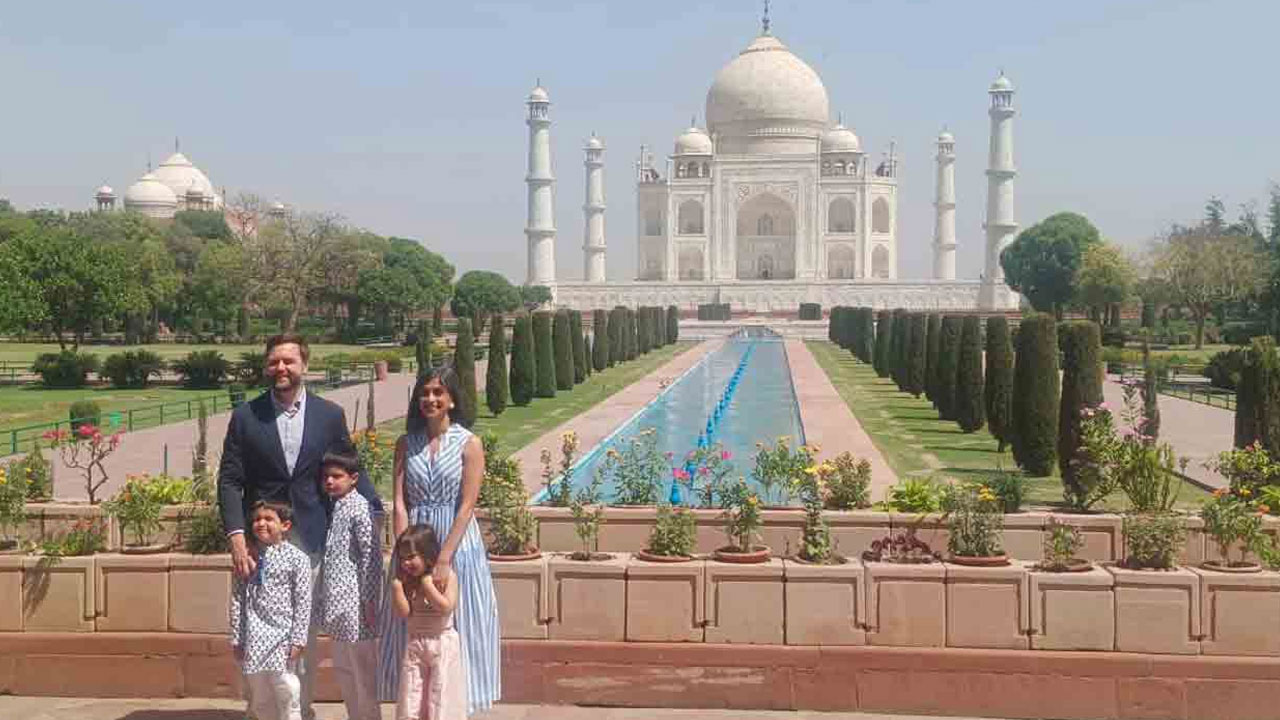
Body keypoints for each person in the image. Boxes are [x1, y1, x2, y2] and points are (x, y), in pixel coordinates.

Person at [218, 332, 384, 720]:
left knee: (302, 636)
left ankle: (300, 712)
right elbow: (229, 480)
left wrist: (374, 510)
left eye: (289, 361)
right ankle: (261, 712)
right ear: (266, 366)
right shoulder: (246, 417)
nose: (281, 368)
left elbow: (350, 466)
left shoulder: (329, 415)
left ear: (304, 366)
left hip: (310, 538)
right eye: (275, 361)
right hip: (261, 544)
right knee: (255, 632)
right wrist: (237, 538)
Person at [378, 364, 500, 714]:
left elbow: (467, 505)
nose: (430, 399)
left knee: (462, 623)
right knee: (412, 624)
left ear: (451, 399)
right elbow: (400, 501)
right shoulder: (406, 443)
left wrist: (445, 556)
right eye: (425, 392)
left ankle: (460, 705)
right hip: (415, 539)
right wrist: (403, 551)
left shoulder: (469, 443)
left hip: (456, 540)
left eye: (438, 392)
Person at [229, 500, 312, 720]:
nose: (261, 523)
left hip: (283, 635)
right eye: (257, 519)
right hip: (254, 636)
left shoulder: (298, 559)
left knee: (286, 689)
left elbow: (303, 601)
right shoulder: (245, 558)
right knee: (259, 694)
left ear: (285, 525)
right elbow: (237, 598)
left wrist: (298, 639)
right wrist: (237, 637)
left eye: (268, 519)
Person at [318, 448, 383, 720]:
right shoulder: (338, 507)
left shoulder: (359, 509)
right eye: (326, 477)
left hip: (357, 608)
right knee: (345, 670)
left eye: (337, 476)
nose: (330, 482)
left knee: (362, 672)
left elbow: (372, 558)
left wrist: (369, 601)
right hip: (339, 607)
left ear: (354, 478)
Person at [391, 525, 466, 720]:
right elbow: (404, 613)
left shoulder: (446, 577)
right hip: (416, 644)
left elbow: (446, 607)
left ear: (427, 554)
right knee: (412, 695)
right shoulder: (408, 581)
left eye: (411, 557)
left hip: (442, 643)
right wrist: (398, 589)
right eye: (402, 558)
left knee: (440, 696)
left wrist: (427, 585)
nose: (406, 563)